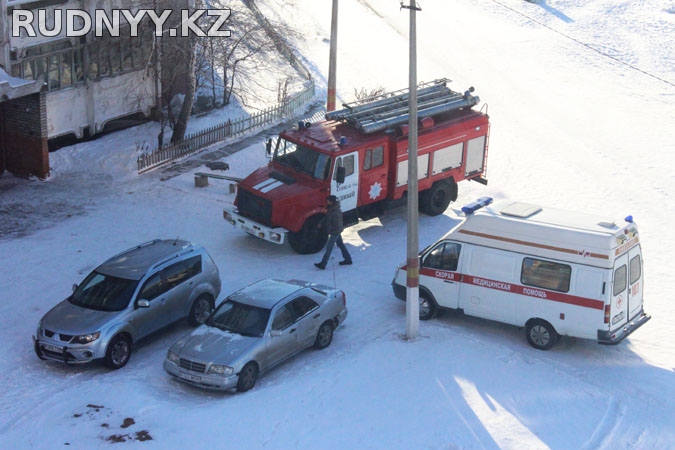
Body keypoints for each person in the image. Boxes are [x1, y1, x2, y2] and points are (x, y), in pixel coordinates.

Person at [315, 195, 352, 269]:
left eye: (328, 201)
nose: (327, 202)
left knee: (329, 248)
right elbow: (327, 217)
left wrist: (330, 229)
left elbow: (336, 223)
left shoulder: (335, 211)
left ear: (331, 202)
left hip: (335, 232)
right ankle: (348, 259)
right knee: (340, 244)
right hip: (336, 231)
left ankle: (323, 264)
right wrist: (321, 223)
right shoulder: (332, 209)